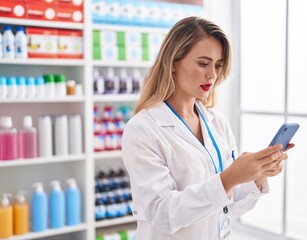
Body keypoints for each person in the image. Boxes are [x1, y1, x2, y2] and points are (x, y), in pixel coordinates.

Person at [122, 16, 294, 240]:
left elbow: (229, 207)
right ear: (174, 61)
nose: (212, 74)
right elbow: (162, 213)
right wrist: (228, 178)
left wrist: (257, 175)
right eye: (203, 63)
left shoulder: (216, 122)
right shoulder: (142, 129)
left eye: (218, 65)